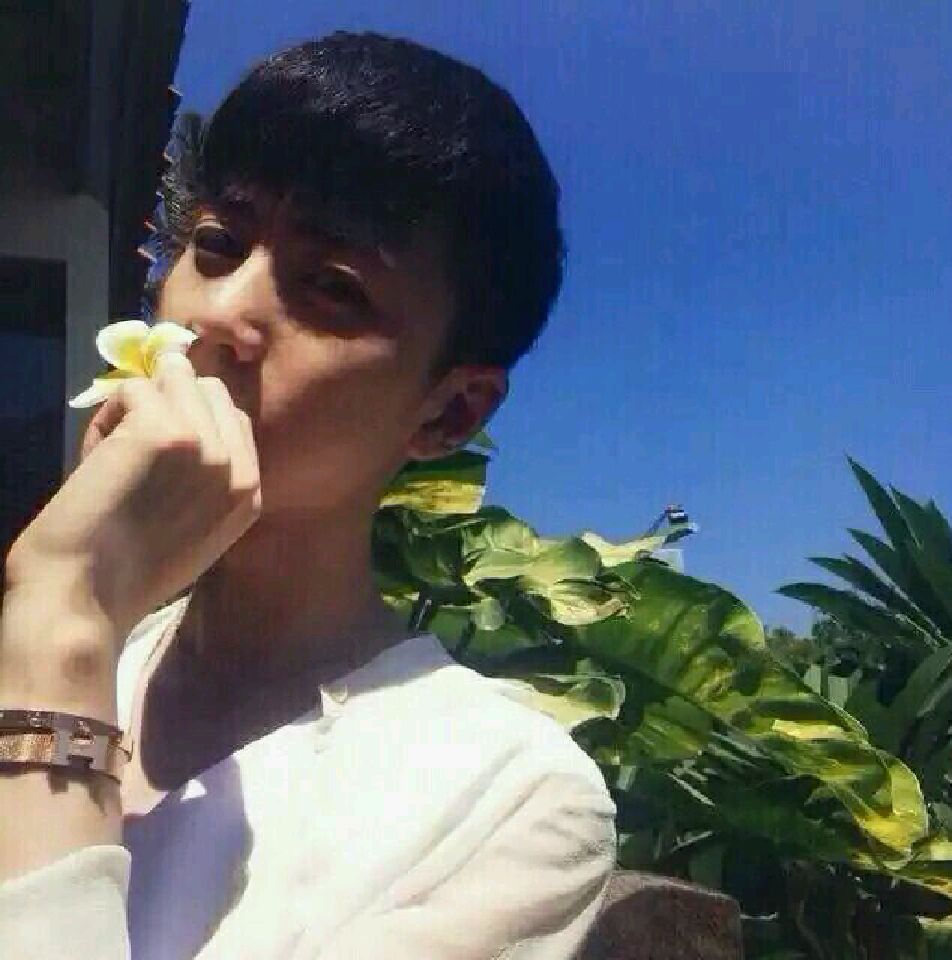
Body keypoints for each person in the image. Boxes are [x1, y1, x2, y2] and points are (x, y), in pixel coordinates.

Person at [0, 32, 617, 959]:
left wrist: (64, 624)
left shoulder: (510, 801)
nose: (219, 315)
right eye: (217, 243)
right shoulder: (56, 649)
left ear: (448, 412)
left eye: (332, 289)